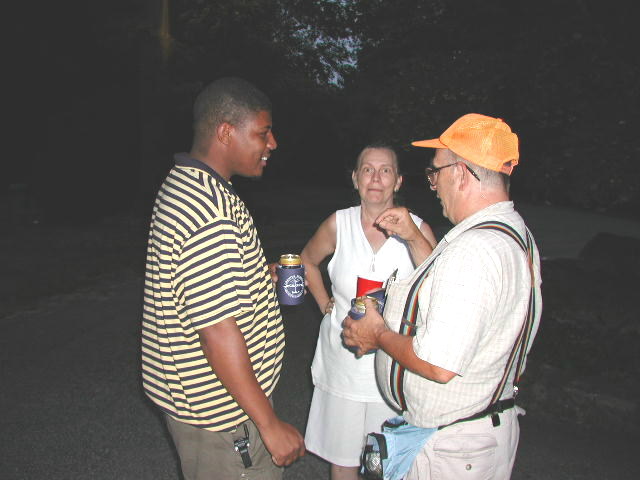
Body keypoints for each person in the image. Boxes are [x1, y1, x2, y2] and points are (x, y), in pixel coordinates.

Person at [343, 114, 542, 479]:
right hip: (478, 432)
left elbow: (437, 364)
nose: (433, 185)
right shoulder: (514, 234)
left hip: (454, 449)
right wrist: (414, 239)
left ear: (461, 174)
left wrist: (377, 334)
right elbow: (452, 295)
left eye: (435, 173)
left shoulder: (474, 249)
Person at [141, 77, 305, 480]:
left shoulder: (184, 182)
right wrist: (268, 424)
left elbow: (197, 285)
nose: (273, 144)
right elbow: (217, 331)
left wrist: (255, 277)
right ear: (226, 132)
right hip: (227, 421)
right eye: (263, 133)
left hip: (204, 404)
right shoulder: (210, 211)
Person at [301, 145, 437, 480]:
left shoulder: (417, 229)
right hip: (342, 366)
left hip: (393, 370)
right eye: (367, 169)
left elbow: (437, 288)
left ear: (398, 180)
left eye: (385, 170)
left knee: (389, 464)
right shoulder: (339, 223)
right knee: (343, 461)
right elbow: (306, 261)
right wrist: (324, 303)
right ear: (355, 178)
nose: (376, 177)